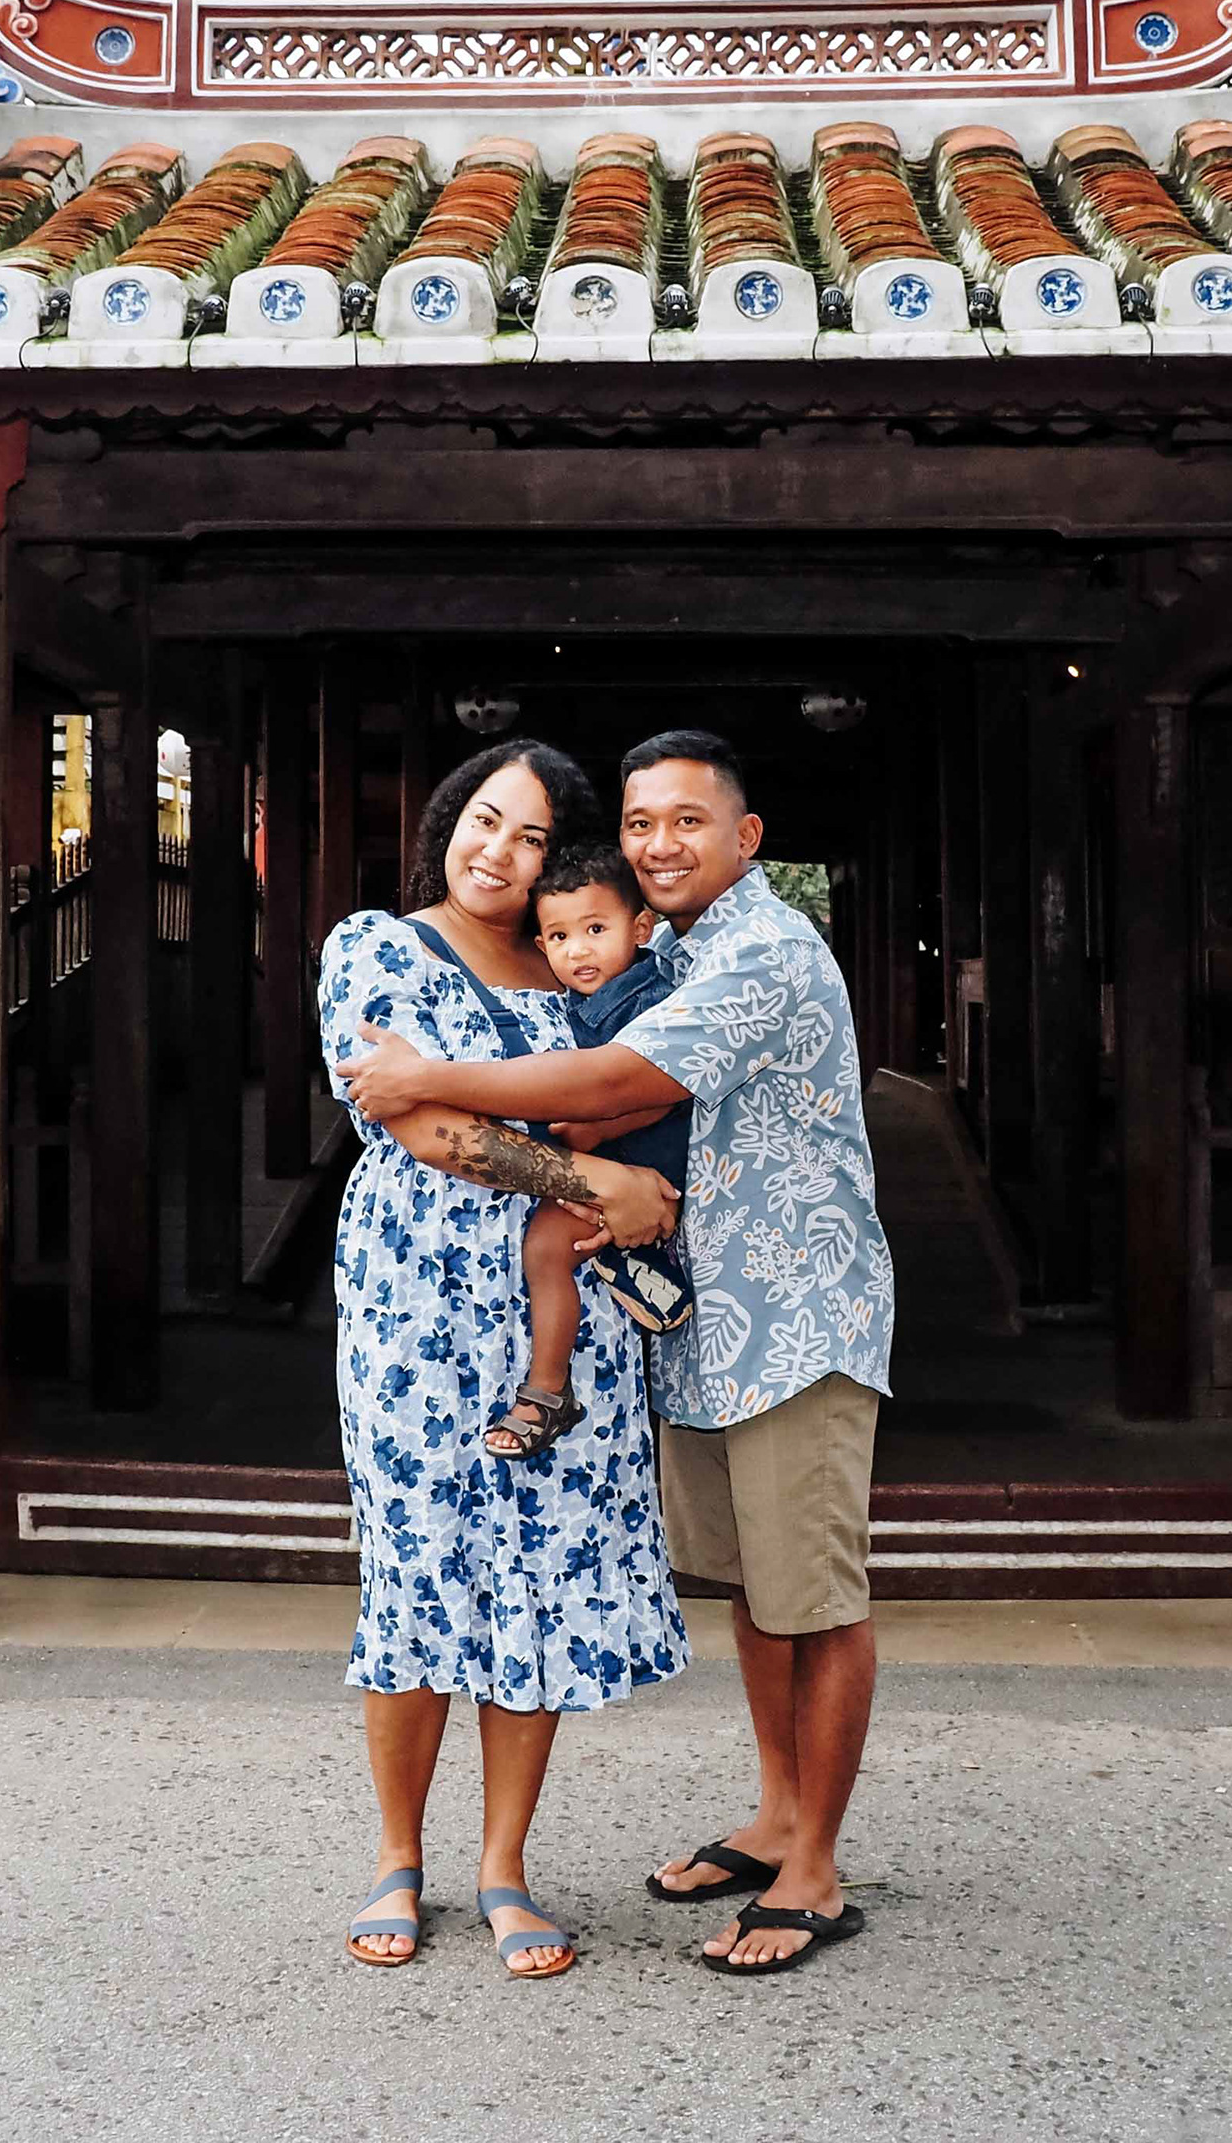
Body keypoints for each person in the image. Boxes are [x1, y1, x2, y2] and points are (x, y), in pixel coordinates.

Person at [341, 730, 896, 1977]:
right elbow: (460, 1120)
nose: (660, 843)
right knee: (755, 1584)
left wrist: (450, 1083)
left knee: (812, 1591)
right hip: (669, 1321)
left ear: (747, 837)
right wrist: (589, 1175)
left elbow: (621, 1077)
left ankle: (813, 1869)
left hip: (791, 1314)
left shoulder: (755, 950)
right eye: (641, 823)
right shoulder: (626, 949)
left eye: (687, 821)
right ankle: (774, 1814)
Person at [314, 738, 687, 1982]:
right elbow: (421, 1122)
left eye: (531, 837)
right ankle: (397, 1857)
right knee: (418, 1560)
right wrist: (594, 1181)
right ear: (446, 819)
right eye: (485, 820)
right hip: (416, 1297)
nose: (500, 853)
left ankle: (506, 1865)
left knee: (535, 1567)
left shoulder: (574, 962)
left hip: (551, 1310)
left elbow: (636, 1086)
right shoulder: (374, 945)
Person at [482, 845, 693, 1464]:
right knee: (551, 1246)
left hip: (646, 1161)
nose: (578, 950)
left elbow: (669, 1086)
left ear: (640, 929)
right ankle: (641, 1265)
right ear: (542, 946)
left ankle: (546, 1390)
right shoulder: (570, 1000)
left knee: (547, 1248)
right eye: (559, 936)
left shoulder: (649, 997)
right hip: (611, 1165)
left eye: (595, 930)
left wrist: (596, 1133)